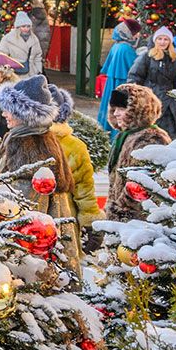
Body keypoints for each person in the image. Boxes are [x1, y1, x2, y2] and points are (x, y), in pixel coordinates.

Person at [0, 75, 82, 272]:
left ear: (25, 114)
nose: (4, 114)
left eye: (10, 110)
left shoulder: (30, 142)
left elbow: (28, 205)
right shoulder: (20, 136)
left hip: (33, 239)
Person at [103, 84, 171, 223]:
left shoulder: (152, 139)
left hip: (140, 219)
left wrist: (120, 209)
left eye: (122, 108)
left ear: (138, 110)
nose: (116, 113)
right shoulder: (125, 136)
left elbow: (142, 183)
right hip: (122, 215)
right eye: (114, 109)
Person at [48, 83, 102, 243]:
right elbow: (85, 190)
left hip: (54, 220)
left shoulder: (74, 146)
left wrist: (90, 224)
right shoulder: (75, 146)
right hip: (64, 222)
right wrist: (90, 222)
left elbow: (84, 189)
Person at [128, 26, 176, 138]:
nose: (162, 42)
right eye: (159, 39)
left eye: (166, 39)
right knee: (150, 133)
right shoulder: (147, 57)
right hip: (151, 100)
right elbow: (135, 77)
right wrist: (136, 97)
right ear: (155, 40)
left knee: (171, 135)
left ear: (170, 41)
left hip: (171, 103)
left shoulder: (174, 59)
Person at [96, 21, 141, 129]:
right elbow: (134, 67)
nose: (138, 35)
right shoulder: (126, 49)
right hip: (123, 82)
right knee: (121, 109)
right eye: (136, 32)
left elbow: (106, 66)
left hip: (112, 81)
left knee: (110, 108)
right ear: (130, 33)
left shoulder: (116, 46)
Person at [0, 11, 45, 76]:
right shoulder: (8, 38)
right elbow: (2, 55)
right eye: (23, 26)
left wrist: (38, 69)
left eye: (28, 26)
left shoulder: (34, 39)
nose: (26, 29)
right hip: (14, 73)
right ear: (18, 27)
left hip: (31, 73)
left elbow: (38, 55)